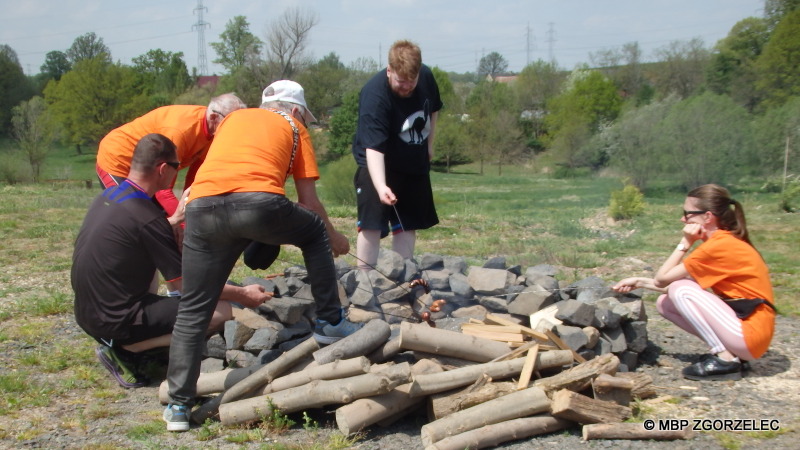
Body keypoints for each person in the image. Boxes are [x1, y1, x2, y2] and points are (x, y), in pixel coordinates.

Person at [163, 80, 360, 432]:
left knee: (193, 309)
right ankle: (331, 321)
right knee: (313, 228)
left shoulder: (232, 121)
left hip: (202, 208)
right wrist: (335, 237)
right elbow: (308, 202)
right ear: (296, 110)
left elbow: (225, 177)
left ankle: (178, 405)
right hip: (257, 205)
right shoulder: (293, 126)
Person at [72, 133, 271, 389]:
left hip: (88, 313)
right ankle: (128, 347)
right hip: (115, 321)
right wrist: (242, 294)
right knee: (219, 311)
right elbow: (189, 287)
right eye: (177, 166)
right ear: (163, 169)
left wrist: (174, 221)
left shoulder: (111, 196)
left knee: (170, 283)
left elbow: (136, 234)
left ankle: (128, 337)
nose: (177, 172)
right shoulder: (148, 217)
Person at [612, 184, 775, 381]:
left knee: (680, 289)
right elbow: (672, 283)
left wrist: (685, 243)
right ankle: (731, 354)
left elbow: (664, 279)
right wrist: (639, 281)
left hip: (751, 336)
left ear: (707, 217)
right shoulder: (723, 242)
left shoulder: (719, 246)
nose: (683, 219)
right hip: (750, 333)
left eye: (687, 214)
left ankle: (725, 358)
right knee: (665, 304)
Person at [95, 93, 247, 235]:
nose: (234, 129)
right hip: (118, 158)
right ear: (214, 117)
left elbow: (195, 178)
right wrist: (184, 225)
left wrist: (191, 209)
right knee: (133, 213)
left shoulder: (213, 131)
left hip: (150, 168)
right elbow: (163, 190)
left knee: (158, 219)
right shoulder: (179, 132)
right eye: (230, 123)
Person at [351, 39, 442, 270]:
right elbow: (373, 148)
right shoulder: (374, 95)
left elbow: (433, 110)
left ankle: (402, 276)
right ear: (389, 70)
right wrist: (381, 186)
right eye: (401, 81)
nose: (407, 87)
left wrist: (429, 145)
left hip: (413, 163)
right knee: (372, 225)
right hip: (377, 163)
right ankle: (365, 279)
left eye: (412, 81)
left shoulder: (427, 76)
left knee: (407, 223)